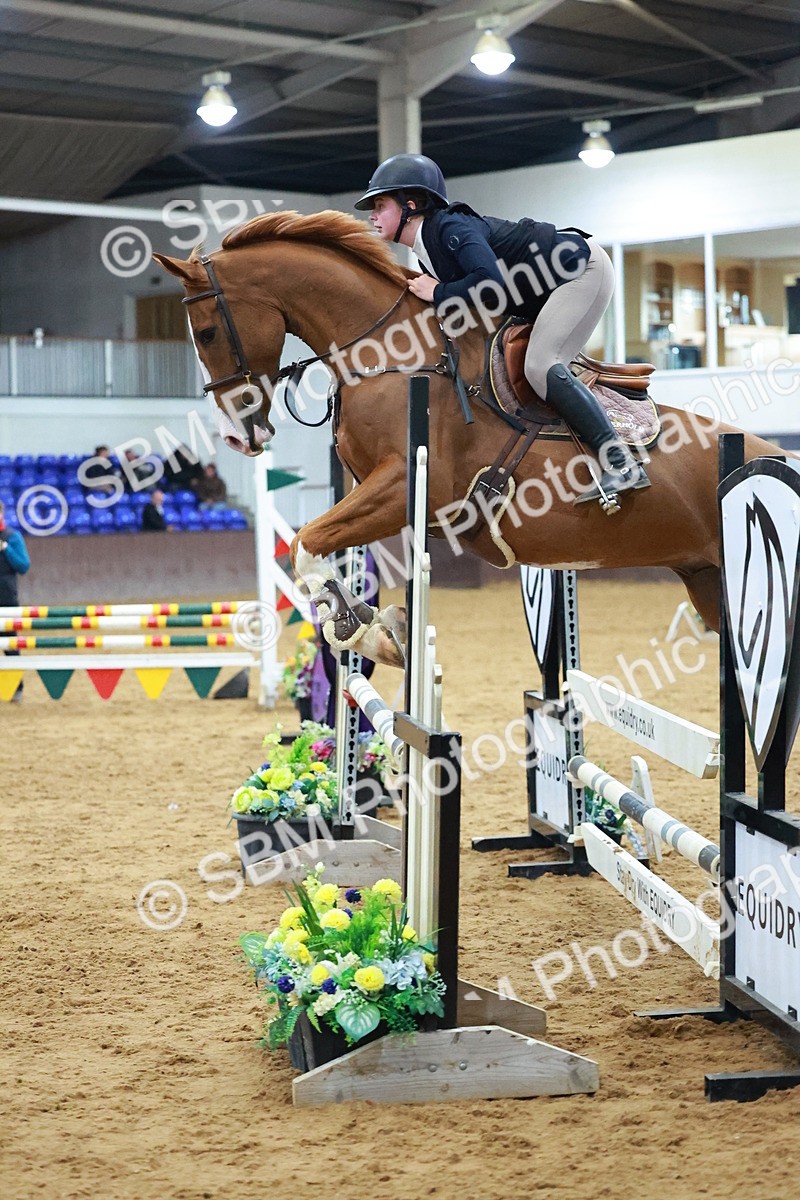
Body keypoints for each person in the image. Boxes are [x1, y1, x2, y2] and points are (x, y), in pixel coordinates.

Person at [355, 153, 650, 509]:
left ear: (411, 205)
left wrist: (439, 292)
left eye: (380, 204)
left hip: (581, 270)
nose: (372, 214)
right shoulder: (425, 252)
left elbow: (489, 283)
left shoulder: (449, 229)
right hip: (548, 287)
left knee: (540, 365)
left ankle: (621, 462)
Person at [0, 500, 31, 702]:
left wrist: (6, 549)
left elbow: (24, 566)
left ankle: (16, 687)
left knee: (11, 645)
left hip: (6, 599)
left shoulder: (13, 537)